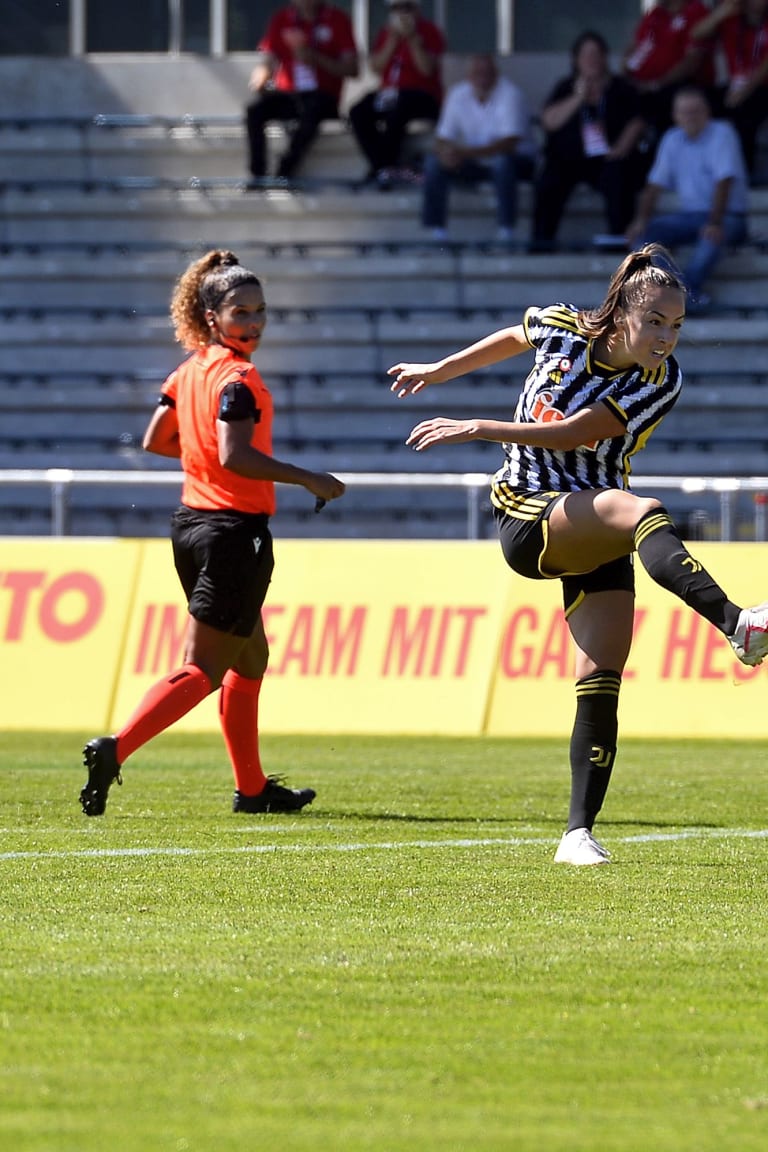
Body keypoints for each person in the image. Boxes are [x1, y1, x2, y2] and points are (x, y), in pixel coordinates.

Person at [387, 243, 768, 866]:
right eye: (655, 322)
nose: (666, 338)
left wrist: (479, 425)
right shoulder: (563, 324)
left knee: (600, 676)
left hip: (594, 523)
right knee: (641, 509)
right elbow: (515, 335)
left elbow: (573, 433)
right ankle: (737, 624)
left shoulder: (659, 382)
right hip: (529, 513)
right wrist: (438, 370)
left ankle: (576, 834)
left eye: (676, 326)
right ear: (621, 312)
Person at [79, 250, 346, 818]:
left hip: (190, 527)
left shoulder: (188, 370)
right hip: (232, 532)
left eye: (260, 312)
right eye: (240, 313)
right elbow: (236, 455)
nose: (253, 324)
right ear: (211, 318)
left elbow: (156, 438)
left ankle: (252, 791)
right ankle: (116, 748)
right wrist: (308, 478)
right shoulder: (238, 378)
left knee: (251, 659)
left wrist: (202, 456)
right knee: (204, 667)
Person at [626, 86, 749, 311]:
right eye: (684, 111)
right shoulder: (672, 138)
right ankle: (686, 295)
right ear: (675, 115)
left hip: (728, 217)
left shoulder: (723, 133)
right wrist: (641, 219)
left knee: (710, 240)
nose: (690, 116)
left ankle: (679, 298)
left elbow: (724, 182)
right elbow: (654, 185)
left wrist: (714, 222)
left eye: (696, 111)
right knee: (643, 238)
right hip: (689, 217)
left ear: (707, 112)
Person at [530, 30, 648, 253]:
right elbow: (549, 121)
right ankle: (541, 245)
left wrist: (621, 146)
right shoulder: (565, 87)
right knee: (549, 181)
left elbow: (638, 121)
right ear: (576, 60)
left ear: (604, 58)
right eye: (586, 55)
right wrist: (578, 98)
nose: (592, 60)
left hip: (608, 158)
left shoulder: (621, 88)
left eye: (596, 54)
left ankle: (618, 244)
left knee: (620, 176)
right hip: (568, 160)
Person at [421, 53, 533, 244]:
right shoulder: (458, 94)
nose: (482, 78)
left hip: (517, 163)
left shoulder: (510, 94)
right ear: (469, 76)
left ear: (496, 74)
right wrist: (446, 153)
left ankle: (506, 231)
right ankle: (435, 232)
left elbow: (509, 143)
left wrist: (463, 153)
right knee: (433, 163)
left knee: (502, 163)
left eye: (487, 73)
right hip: (474, 164)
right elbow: (442, 137)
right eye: (477, 73)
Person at [245, 0, 359, 184]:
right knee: (255, 110)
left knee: (312, 109)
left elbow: (353, 69)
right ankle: (257, 175)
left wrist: (315, 58)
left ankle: (285, 171)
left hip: (323, 95)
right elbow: (268, 60)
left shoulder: (337, 20)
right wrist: (259, 79)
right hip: (291, 94)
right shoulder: (282, 19)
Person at [348, 0, 446, 188]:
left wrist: (413, 40)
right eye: (396, 8)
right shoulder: (386, 33)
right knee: (358, 111)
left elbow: (427, 70)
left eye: (406, 7)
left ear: (416, 9)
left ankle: (381, 167)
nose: (401, 12)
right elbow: (375, 67)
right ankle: (383, 166)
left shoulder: (430, 31)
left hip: (422, 95)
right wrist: (392, 41)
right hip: (390, 93)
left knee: (399, 109)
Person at [691, 0, 768, 182]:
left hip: (761, 86)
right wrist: (721, 13)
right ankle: (703, 170)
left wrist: (746, 90)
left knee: (746, 114)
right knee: (698, 105)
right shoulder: (731, 20)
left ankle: (743, 175)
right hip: (734, 85)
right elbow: (696, 33)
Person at [622, 0, 715, 141]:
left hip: (678, 89)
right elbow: (633, 49)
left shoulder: (696, 10)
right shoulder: (655, 14)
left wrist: (655, 84)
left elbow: (692, 62)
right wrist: (628, 76)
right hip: (642, 88)